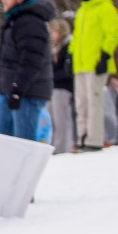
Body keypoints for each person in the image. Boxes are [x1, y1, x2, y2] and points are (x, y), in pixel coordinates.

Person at [0, 0, 54, 142]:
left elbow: (32, 60)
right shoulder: (15, 20)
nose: (3, 0)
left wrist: (18, 89)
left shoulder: (30, 22)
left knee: (22, 144)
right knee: (2, 143)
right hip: (12, 92)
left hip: (27, 93)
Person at [69, 0, 118, 152]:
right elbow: (76, 37)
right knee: (81, 104)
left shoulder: (106, 8)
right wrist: (71, 56)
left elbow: (113, 34)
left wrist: (105, 56)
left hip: (95, 64)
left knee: (94, 102)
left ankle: (94, 139)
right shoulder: (82, 11)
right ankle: (82, 137)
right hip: (80, 64)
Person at [48, 17, 75, 154]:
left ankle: (62, 149)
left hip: (63, 88)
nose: (52, 34)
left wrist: (51, 76)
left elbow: (67, 71)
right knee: (52, 120)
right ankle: (53, 146)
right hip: (52, 88)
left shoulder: (68, 47)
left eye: (54, 31)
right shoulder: (53, 49)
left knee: (61, 120)